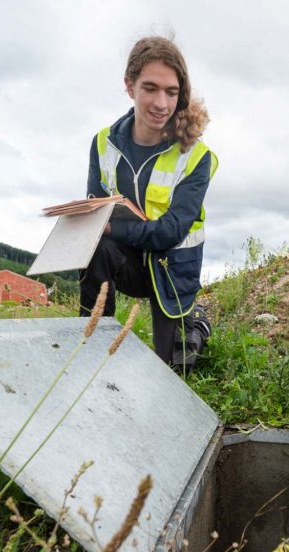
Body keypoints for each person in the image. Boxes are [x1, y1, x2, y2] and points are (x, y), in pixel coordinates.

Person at [80, 36, 218, 366]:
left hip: (172, 268)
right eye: (150, 88)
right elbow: (96, 216)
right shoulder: (103, 144)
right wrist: (89, 224)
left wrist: (114, 227)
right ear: (130, 86)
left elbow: (171, 231)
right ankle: (89, 344)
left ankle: (195, 324)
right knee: (95, 246)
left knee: (172, 368)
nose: (161, 103)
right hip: (127, 263)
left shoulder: (196, 156)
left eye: (171, 92)